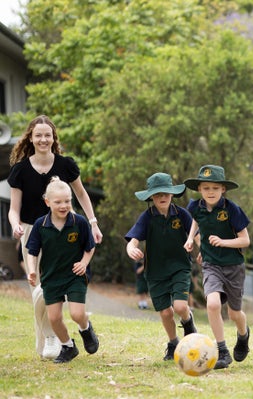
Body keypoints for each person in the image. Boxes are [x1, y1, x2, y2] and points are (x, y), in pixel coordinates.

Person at [7, 115, 103, 360]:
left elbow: (81, 195)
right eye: (38, 135)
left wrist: (92, 222)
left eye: (47, 135)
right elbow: (13, 208)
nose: (43, 139)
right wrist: (15, 224)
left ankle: (77, 327)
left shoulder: (66, 165)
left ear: (53, 138)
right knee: (39, 289)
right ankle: (50, 338)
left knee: (65, 281)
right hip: (33, 232)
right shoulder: (20, 170)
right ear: (31, 137)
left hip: (65, 230)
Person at [183, 165, 250, 369]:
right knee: (212, 304)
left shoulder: (232, 210)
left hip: (234, 267)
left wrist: (223, 242)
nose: (210, 192)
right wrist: (191, 239)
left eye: (214, 188)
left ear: (223, 189)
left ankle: (243, 335)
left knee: (234, 314)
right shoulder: (195, 206)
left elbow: (245, 240)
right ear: (200, 190)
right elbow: (195, 222)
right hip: (211, 265)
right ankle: (222, 351)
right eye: (205, 188)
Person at [25, 177, 99, 363]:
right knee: (54, 318)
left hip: (75, 276)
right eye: (58, 202)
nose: (64, 205)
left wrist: (84, 262)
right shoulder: (40, 225)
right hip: (51, 277)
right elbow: (32, 252)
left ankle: (85, 329)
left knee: (76, 314)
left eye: (67, 201)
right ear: (47, 202)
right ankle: (68, 346)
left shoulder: (79, 222)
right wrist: (32, 270)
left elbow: (90, 247)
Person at [125, 173, 197, 361]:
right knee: (165, 312)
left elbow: (196, 234)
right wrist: (131, 248)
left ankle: (189, 324)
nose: (162, 197)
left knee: (180, 306)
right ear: (151, 197)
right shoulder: (147, 217)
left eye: (165, 193)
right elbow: (133, 240)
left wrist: (202, 249)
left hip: (180, 266)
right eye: (157, 195)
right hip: (155, 272)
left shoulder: (182, 214)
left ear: (172, 194)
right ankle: (173, 343)